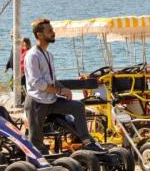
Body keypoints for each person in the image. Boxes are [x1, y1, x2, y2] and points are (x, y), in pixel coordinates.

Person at [24, 18, 102, 153]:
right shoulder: (32, 55)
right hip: (37, 103)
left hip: (51, 101)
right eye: (50, 31)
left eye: (52, 30)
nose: (53, 33)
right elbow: (37, 83)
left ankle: (87, 141)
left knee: (78, 107)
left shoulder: (49, 55)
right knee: (36, 144)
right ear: (39, 35)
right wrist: (59, 90)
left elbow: (52, 80)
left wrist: (64, 89)